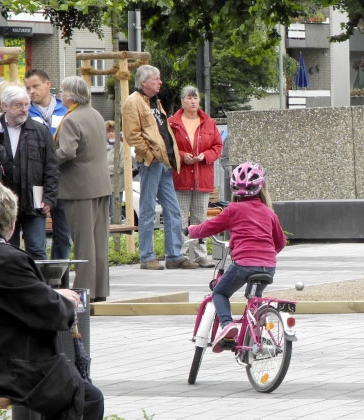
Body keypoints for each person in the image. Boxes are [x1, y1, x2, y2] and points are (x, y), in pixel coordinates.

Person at [0, 179, 104, 420]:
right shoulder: (7, 261)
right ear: (11, 223)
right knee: (87, 397)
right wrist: (61, 299)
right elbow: (50, 313)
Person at [185, 162, 286, 353]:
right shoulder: (269, 213)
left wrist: (191, 230)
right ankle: (254, 334)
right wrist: (265, 256)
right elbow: (280, 242)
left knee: (220, 293)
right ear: (261, 188)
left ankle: (227, 325)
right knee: (253, 297)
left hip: (243, 265)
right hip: (268, 266)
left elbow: (207, 228)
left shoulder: (232, 210)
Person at [122, 65, 198, 270]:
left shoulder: (155, 101)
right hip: (151, 162)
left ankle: (174, 254)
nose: (160, 82)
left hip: (164, 162)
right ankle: (147, 256)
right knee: (147, 210)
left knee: (173, 210)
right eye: (156, 79)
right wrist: (149, 155)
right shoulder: (133, 102)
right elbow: (131, 135)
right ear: (144, 81)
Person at [54, 76, 112, 301]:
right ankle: (99, 291)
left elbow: (67, 151)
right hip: (100, 183)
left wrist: (48, 159)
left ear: (69, 95)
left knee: (84, 242)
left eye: (63, 92)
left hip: (79, 187)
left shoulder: (71, 119)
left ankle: (83, 290)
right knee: (99, 240)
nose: (61, 96)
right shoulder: (96, 114)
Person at [0, 85, 58, 260]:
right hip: (3, 203)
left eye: (26, 104)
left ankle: (38, 286)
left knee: (37, 250)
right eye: (18, 105)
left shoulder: (39, 131)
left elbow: (51, 166)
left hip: (34, 201)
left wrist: (49, 197)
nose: (24, 109)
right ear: (5, 106)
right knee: (7, 252)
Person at [169, 86, 223, 268]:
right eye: (188, 98)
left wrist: (205, 156)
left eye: (195, 98)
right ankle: (182, 254)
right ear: (182, 101)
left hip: (203, 177)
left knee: (200, 218)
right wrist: (184, 156)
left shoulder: (209, 122)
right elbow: (170, 148)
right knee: (181, 218)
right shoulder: (173, 123)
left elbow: (217, 146)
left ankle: (201, 255)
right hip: (182, 176)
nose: (193, 101)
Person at [26, 69, 72, 274]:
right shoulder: (26, 111)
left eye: (35, 86)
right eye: (28, 88)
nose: (31, 91)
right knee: (36, 231)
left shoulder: (64, 110)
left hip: (62, 178)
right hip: (35, 178)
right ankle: (38, 276)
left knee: (63, 231)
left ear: (47, 84)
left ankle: (58, 275)